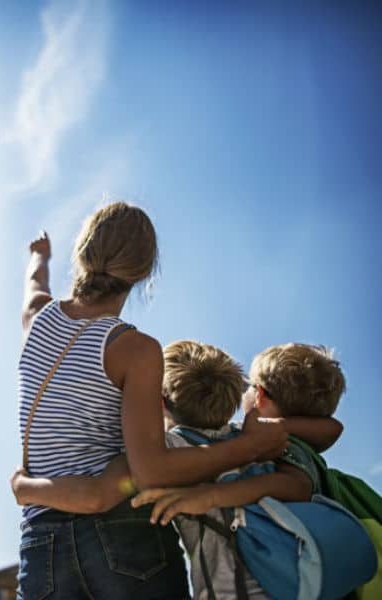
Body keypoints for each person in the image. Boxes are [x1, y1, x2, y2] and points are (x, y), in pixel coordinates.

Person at [15, 202, 288, 600]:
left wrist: (39, 254)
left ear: (83, 252)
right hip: (121, 537)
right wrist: (248, 447)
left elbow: (35, 283)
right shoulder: (134, 349)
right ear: (143, 274)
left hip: (40, 546)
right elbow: (151, 469)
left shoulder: (37, 319)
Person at [14, 339, 342, 599]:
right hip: (296, 583)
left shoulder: (162, 456)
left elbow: (97, 496)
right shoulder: (260, 441)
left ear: (158, 402)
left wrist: (24, 487)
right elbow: (331, 428)